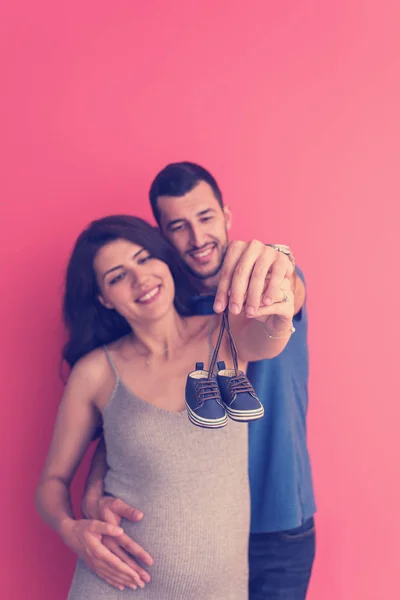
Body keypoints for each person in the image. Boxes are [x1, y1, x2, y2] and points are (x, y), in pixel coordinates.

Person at [82, 162, 316, 599]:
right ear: (162, 234)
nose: (197, 238)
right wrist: (95, 485)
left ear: (226, 215)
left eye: (206, 218)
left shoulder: (267, 282)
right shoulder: (162, 305)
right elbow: (133, 412)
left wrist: (281, 262)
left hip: (276, 522)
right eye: (179, 226)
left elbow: (289, 289)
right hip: (193, 532)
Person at [35, 214, 295, 599]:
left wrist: (282, 291)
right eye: (117, 276)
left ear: (164, 260)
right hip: (114, 584)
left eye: (144, 259)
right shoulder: (95, 373)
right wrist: (71, 530)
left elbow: (272, 333)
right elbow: (51, 483)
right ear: (104, 298)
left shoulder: (225, 332)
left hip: (218, 588)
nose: (140, 279)